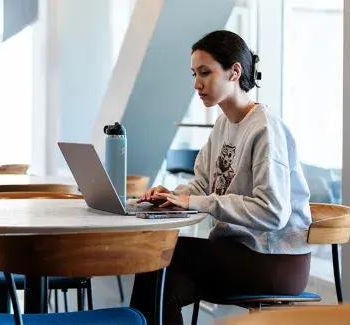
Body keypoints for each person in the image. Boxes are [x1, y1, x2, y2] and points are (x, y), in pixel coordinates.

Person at [129, 30, 313, 325]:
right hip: (235, 253)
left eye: (205, 72)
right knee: (162, 289)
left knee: (163, 254)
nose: (196, 84)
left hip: (273, 259)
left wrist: (201, 202)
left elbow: (274, 211)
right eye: (194, 73)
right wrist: (173, 195)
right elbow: (202, 185)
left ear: (234, 72)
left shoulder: (265, 128)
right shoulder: (222, 125)